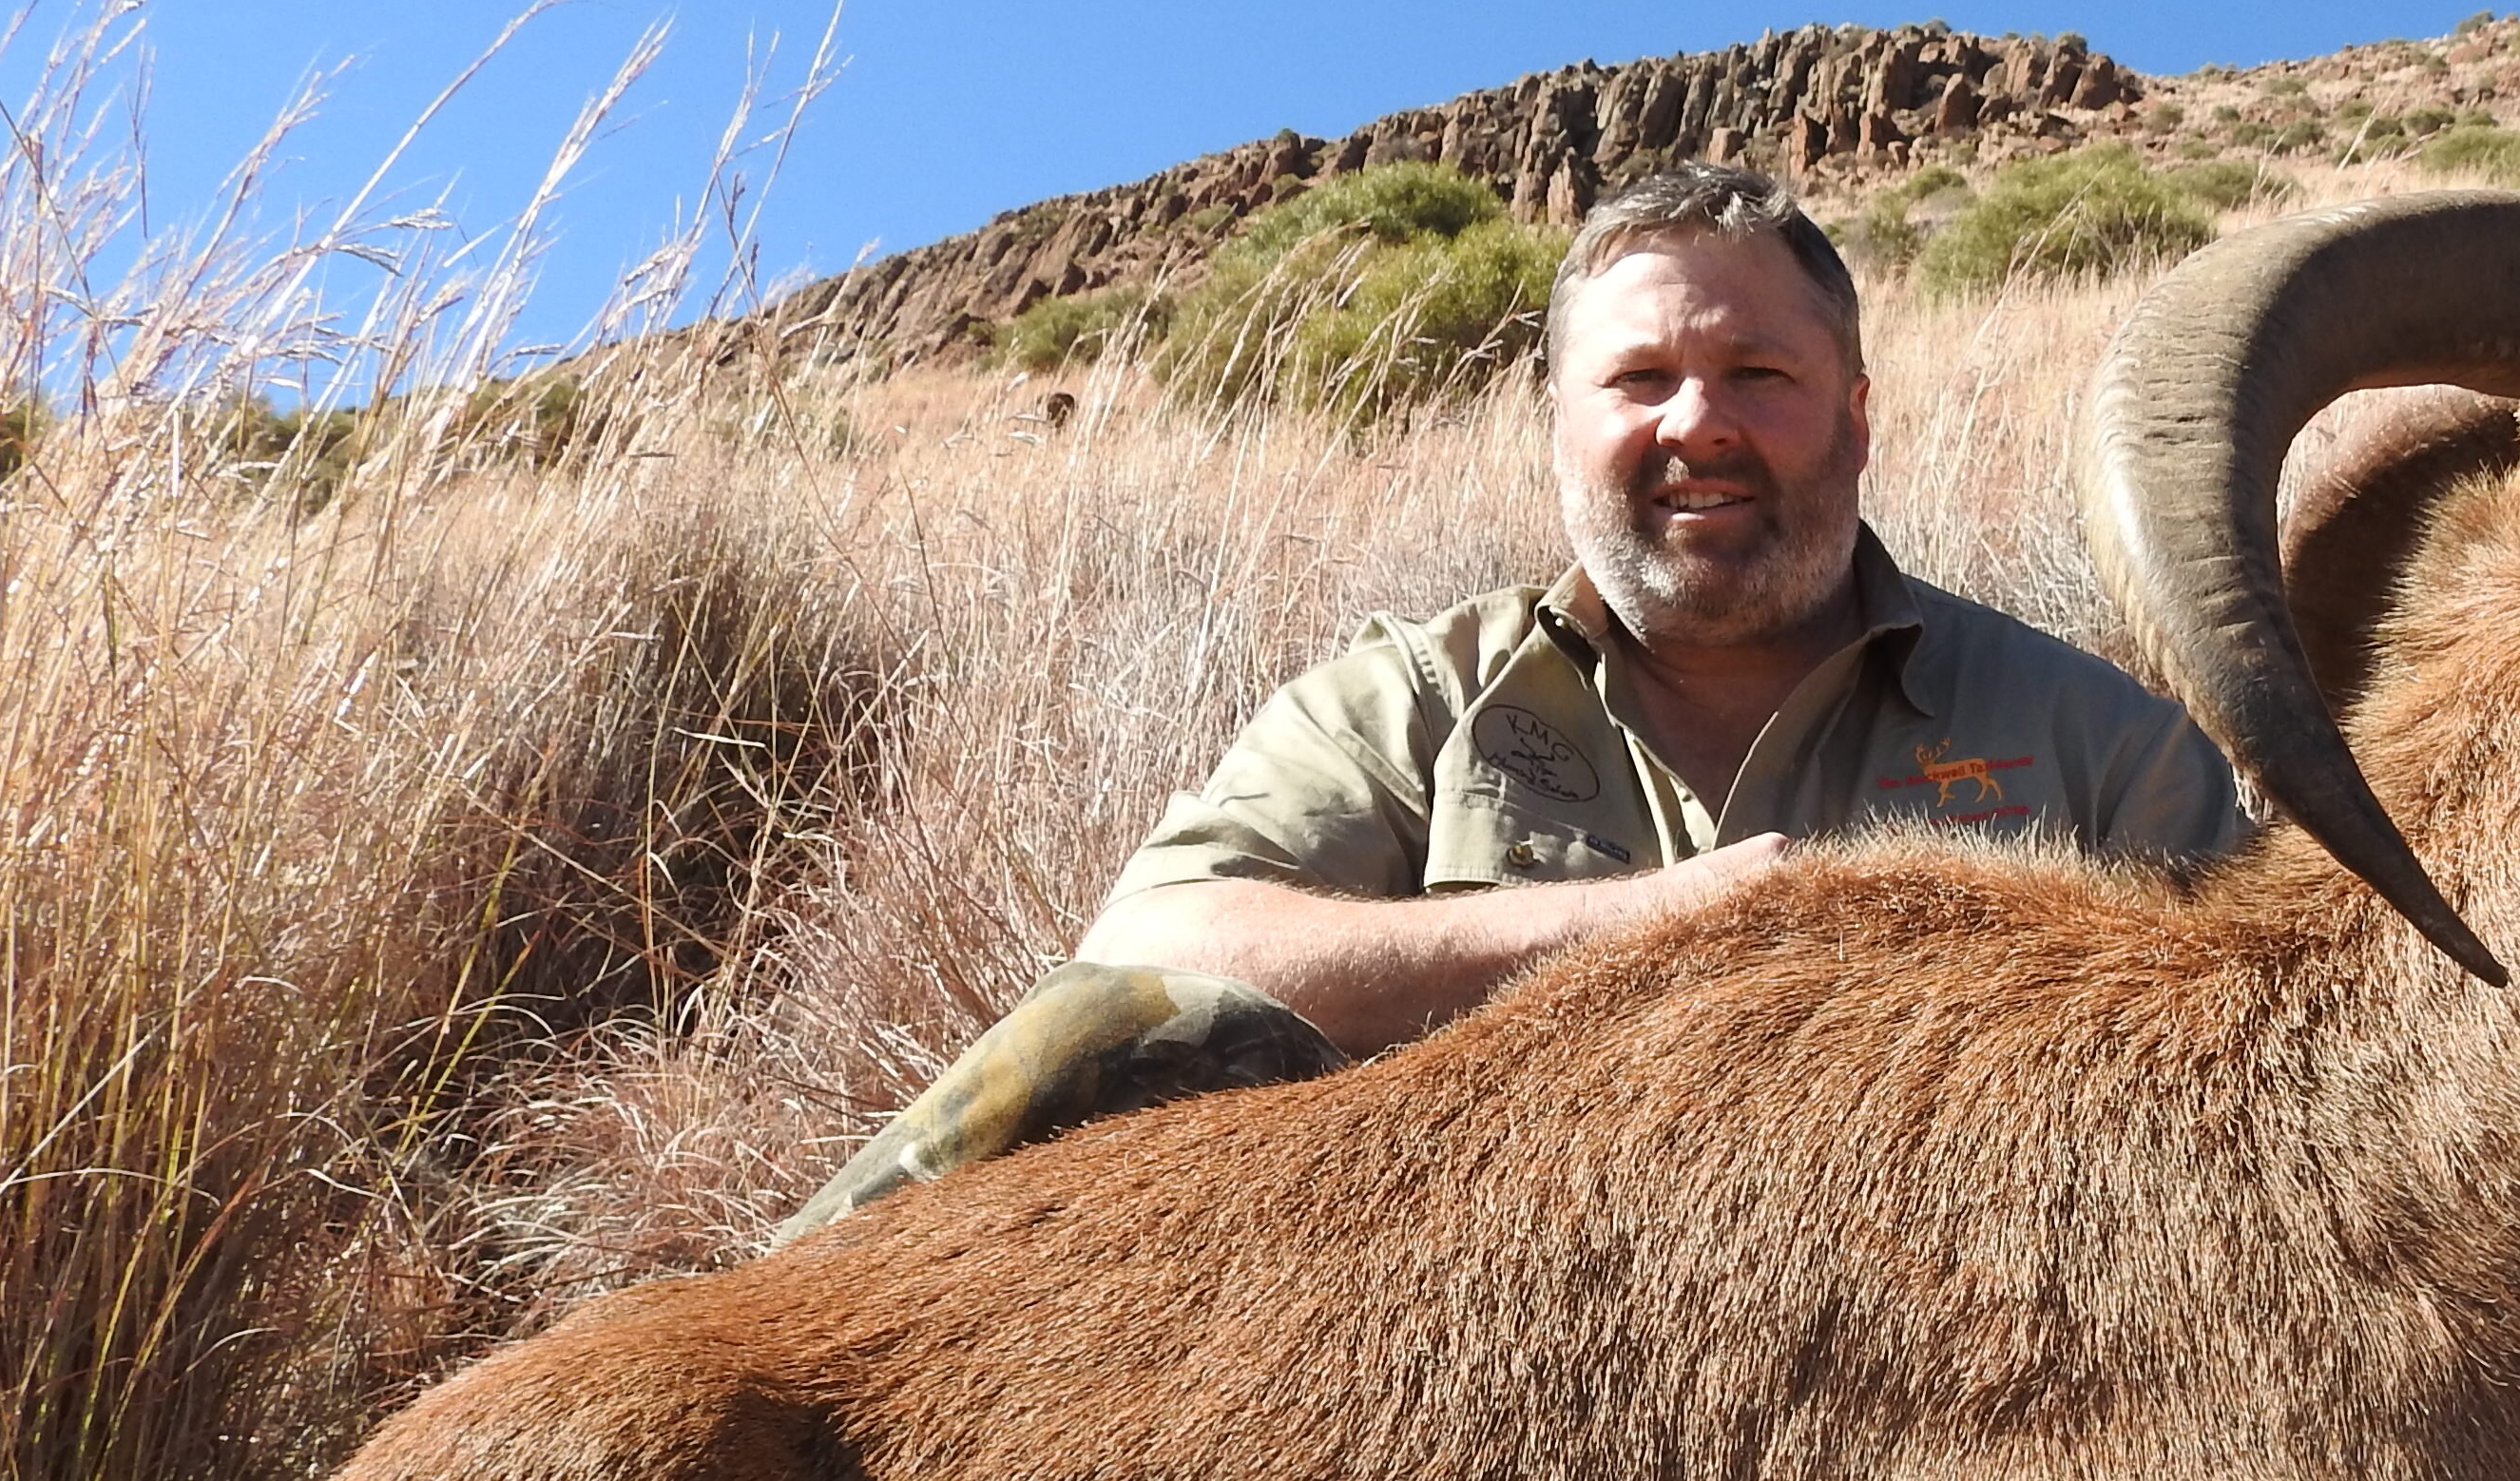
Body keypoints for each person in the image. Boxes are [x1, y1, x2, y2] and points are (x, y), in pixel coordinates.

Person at [779, 163, 2247, 1236]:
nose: (1698, 424)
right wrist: (1640, 927)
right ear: (1559, 424)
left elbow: (2256, 1101)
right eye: (1639, 378)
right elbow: (1149, 947)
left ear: (1855, 414)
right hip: (1453, 1327)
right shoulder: (1420, 700)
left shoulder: (2100, 745)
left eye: (1759, 372)